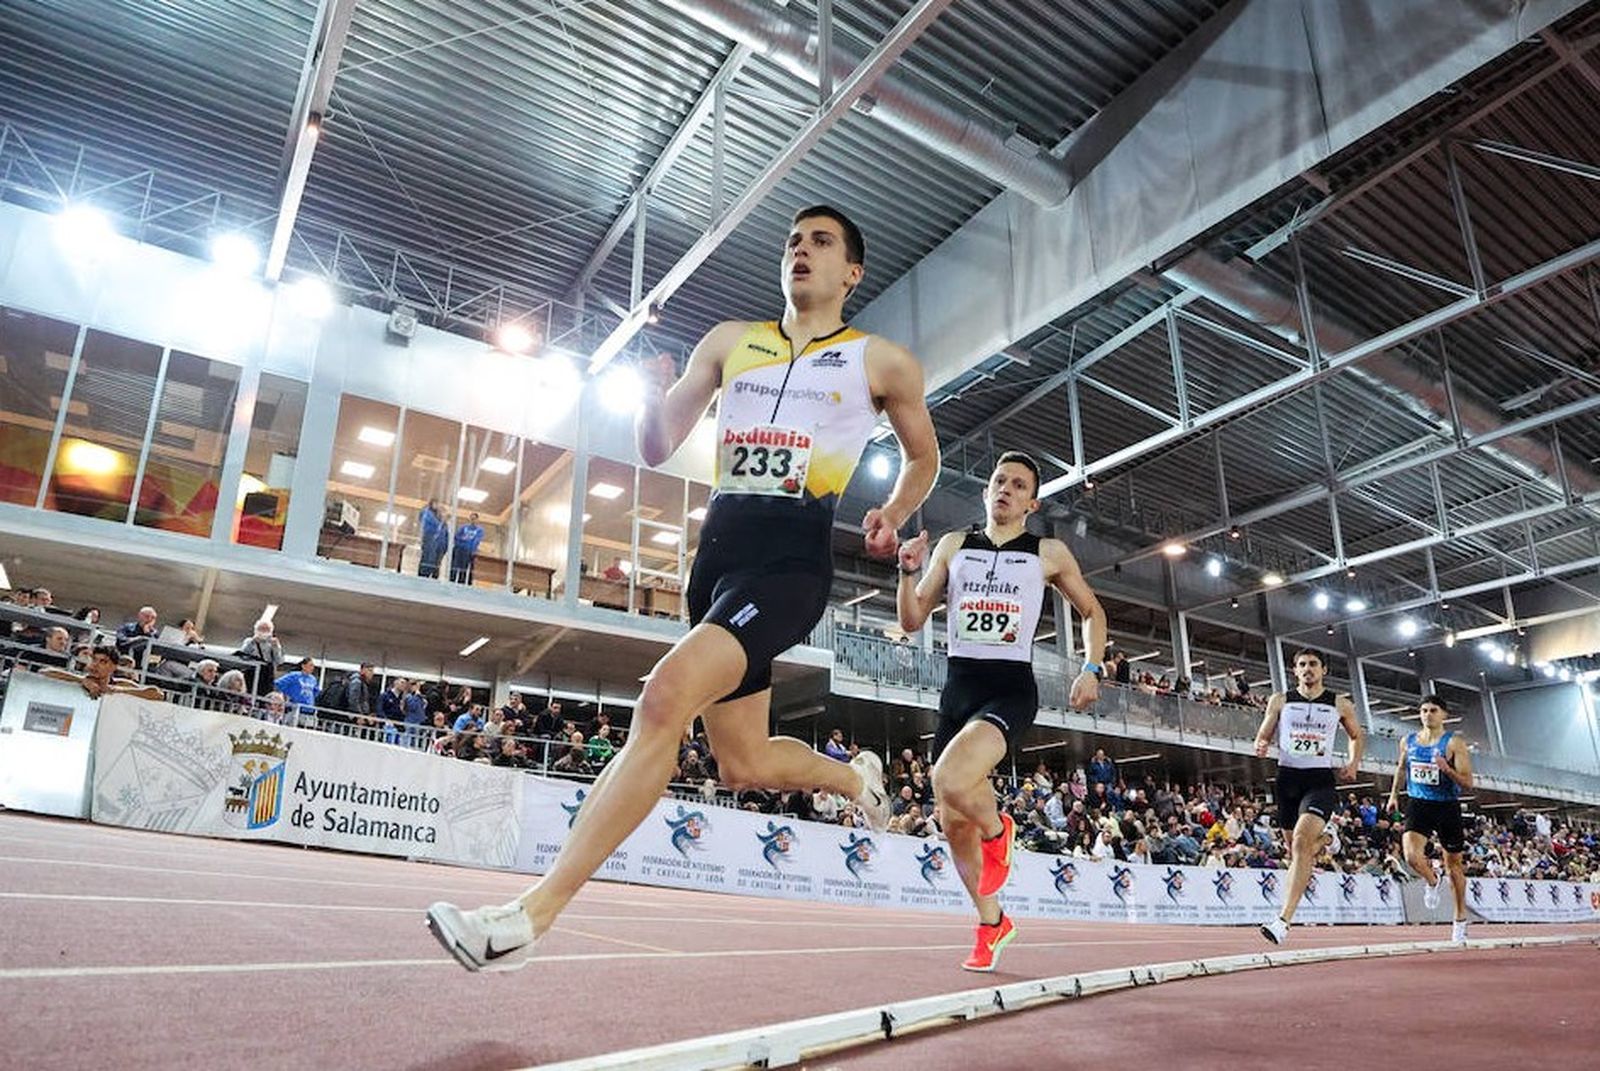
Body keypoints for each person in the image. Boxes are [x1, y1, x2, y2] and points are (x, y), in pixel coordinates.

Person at [427, 204, 939, 971]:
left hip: (791, 563)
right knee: (743, 763)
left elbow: (922, 457)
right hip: (718, 559)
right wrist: (649, 389)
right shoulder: (733, 341)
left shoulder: (880, 361)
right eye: (792, 241)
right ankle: (851, 776)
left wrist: (894, 512)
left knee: (663, 698)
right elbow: (659, 445)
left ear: (851, 273)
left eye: (821, 243)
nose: (801, 251)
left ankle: (527, 916)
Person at [895, 452, 1106, 971]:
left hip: (1010, 689)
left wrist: (1092, 667)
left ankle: (999, 832)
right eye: (998, 480)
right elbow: (912, 618)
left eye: (1017, 485)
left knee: (949, 776)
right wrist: (907, 571)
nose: (1004, 489)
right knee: (950, 819)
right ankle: (992, 924)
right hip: (957, 688)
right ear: (987, 491)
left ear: (1031, 502)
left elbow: (1092, 611)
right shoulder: (953, 546)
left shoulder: (1046, 553)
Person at [1253, 648, 1364, 945]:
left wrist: (1353, 763)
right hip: (1287, 779)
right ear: (1295, 670)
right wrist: (1262, 741)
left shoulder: (1339, 704)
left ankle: (1282, 921)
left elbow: (1356, 735)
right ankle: (1329, 840)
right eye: (1302, 665)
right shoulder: (1281, 700)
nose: (1307, 669)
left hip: (1319, 780)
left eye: (1313, 664)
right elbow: (1265, 730)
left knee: (1302, 843)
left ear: (1323, 669)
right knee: (1296, 852)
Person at [1386, 694, 1474, 944]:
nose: (1427, 715)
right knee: (1412, 856)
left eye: (1433, 710)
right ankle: (1432, 880)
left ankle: (1459, 920)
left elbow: (1468, 782)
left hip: (1447, 806)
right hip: (1419, 803)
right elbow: (1402, 768)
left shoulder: (1454, 743)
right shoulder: (1409, 741)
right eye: (1423, 710)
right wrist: (1393, 794)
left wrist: (1446, 769)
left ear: (1444, 714)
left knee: (1454, 867)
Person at [451, 511, 486, 584]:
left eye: (474, 519)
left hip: (469, 552)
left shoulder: (479, 530)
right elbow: (457, 537)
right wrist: (463, 542)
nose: (473, 520)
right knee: (455, 567)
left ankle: (462, 583)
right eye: (471, 518)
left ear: (477, 520)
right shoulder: (463, 527)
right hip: (459, 550)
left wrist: (467, 543)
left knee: (464, 570)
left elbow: (476, 541)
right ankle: (452, 581)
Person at [418, 500, 448, 579]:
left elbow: (446, 537)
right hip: (430, 540)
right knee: (428, 559)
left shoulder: (444, 525)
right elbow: (426, 520)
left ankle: (433, 576)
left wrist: (445, 548)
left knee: (436, 563)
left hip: (439, 547)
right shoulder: (427, 514)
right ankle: (424, 575)